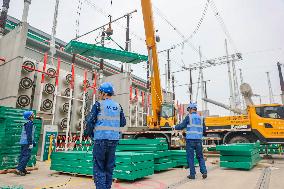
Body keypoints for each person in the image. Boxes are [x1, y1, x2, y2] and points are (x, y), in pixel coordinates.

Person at [85, 82, 126, 189]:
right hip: (113, 140)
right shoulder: (118, 106)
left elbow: (90, 121)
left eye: (99, 92)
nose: (99, 94)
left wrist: (88, 133)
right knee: (109, 167)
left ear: (103, 93)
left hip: (100, 140)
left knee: (99, 167)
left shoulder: (98, 105)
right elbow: (123, 123)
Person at [173, 102, 207, 179]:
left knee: (190, 157)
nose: (188, 111)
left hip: (190, 141)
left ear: (191, 109)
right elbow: (204, 130)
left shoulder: (189, 117)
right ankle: (204, 171)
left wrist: (174, 126)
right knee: (200, 157)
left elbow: (181, 126)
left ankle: (192, 174)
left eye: (188, 110)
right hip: (198, 140)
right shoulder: (201, 118)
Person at [15, 111, 36, 176]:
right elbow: (29, 134)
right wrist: (30, 143)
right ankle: (19, 169)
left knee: (23, 155)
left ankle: (22, 169)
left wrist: (33, 142)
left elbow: (31, 134)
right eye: (32, 114)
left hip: (24, 142)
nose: (34, 115)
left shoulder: (28, 123)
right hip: (26, 142)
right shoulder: (29, 123)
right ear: (30, 116)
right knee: (26, 156)